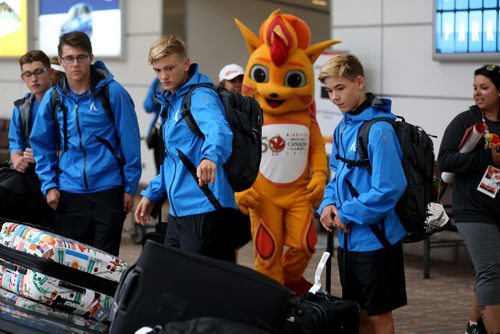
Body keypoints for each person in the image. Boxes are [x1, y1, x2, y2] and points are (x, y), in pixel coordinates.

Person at [317, 54, 407, 334]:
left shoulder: (380, 130)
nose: (334, 97)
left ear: (360, 82)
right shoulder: (343, 126)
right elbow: (337, 175)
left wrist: (347, 213)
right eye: (330, 90)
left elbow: (390, 187)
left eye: (340, 88)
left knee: (380, 317)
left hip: (377, 241)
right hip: (348, 241)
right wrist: (328, 203)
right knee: (358, 313)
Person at [29, 31, 141, 256]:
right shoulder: (54, 97)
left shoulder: (113, 93)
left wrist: (130, 187)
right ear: (60, 62)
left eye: (81, 57)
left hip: (108, 191)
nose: (75, 64)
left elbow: (130, 143)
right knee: (73, 267)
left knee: (105, 269)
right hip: (68, 194)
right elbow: (42, 145)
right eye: (69, 58)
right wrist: (49, 185)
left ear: (91, 57)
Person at [134, 35, 237, 262]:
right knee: (175, 279)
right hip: (178, 211)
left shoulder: (200, 96)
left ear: (186, 64)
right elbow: (173, 160)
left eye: (169, 68)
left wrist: (210, 157)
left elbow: (218, 131)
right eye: (158, 70)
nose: (164, 76)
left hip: (205, 207)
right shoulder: (172, 102)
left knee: (202, 285)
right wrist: (151, 194)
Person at [438, 64, 500, 334]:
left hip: (497, 206)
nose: (477, 93)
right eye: (475, 87)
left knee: (491, 270)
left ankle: (474, 326)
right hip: (472, 208)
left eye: (484, 87)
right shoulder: (466, 121)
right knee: (491, 269)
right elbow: (446, 160)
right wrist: (487, 157)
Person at [3, 50, 55, 226]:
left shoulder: (65, 104)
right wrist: (16, 157)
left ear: (50, 72)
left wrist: (45, 155)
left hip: (59, 175)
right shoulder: (22, 107)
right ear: (23, 77)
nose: (34, 78)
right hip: (29, 176)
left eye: (38, 72)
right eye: (28, 74)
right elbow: (15, 141)